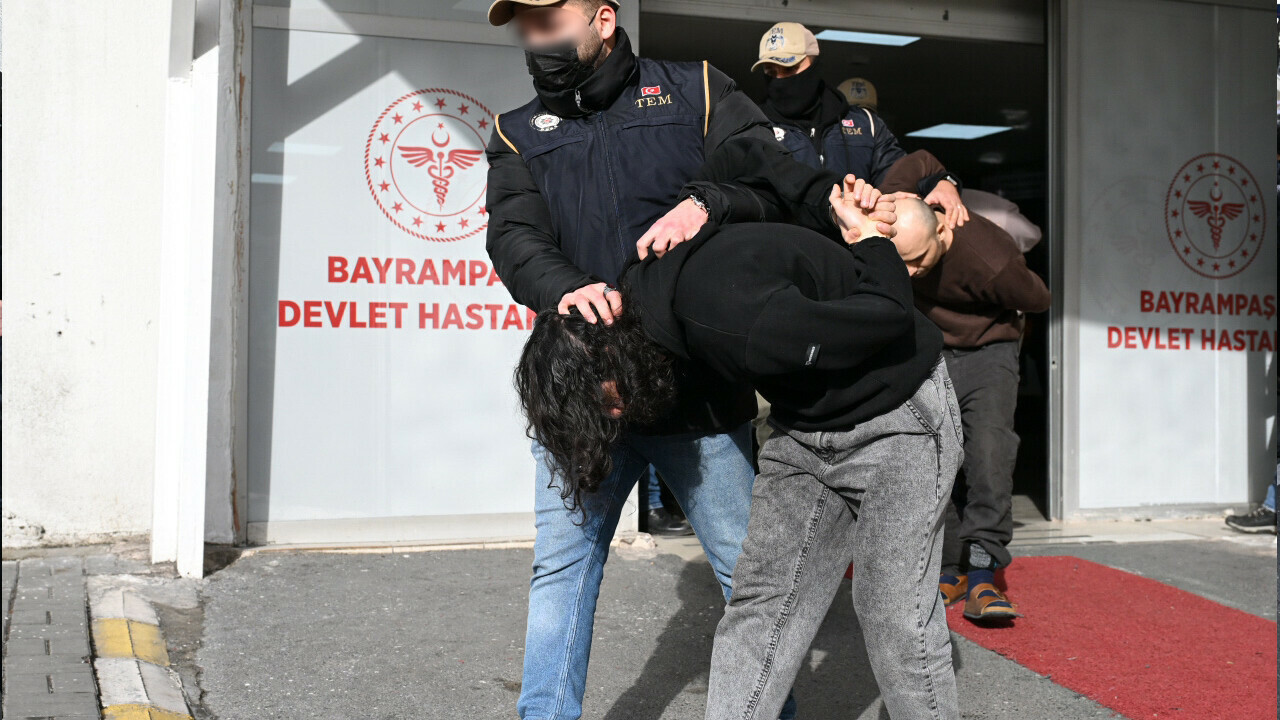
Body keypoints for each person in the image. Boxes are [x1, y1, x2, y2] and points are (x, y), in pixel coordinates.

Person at [514, 177, 964, 719]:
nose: (615, 419)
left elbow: (888, 311)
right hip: (804, 430)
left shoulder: (735, 320)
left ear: (604, 358)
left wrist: (872, 242)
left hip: (897, 417)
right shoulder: (638, 298)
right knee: (761, 607)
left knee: (892, 613)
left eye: (606, 408)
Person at [483, 2, 818, 717]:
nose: (536, 40)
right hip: (584, 398)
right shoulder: (517, 134)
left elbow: (775, 183)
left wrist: (710, 202)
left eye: (550, 22)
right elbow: (513, 239)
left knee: (745, 577)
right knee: (562, 573)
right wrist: (565, 287)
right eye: (527, 29)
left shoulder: (697, 91)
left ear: (603, 19)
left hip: (696, 395)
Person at [880, 150, 1052, 622]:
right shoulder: (899, 217)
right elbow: (914, 159)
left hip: (987, 350)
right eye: (904, 265)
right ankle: (951, 563)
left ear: (945, 231)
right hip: (929, 348)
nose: (911, 274)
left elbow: (1037, 298)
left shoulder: (989, 258)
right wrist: (939, 179)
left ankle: (982, 574)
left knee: (989, 453)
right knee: (934, 457)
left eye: (917, 262)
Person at [750, 22, 968, 226]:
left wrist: (942, 182)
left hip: (859, 251)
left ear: (814, 63)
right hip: (791, 255)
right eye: (770, 72)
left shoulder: (866, 125)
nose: (780, 79)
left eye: (789, 69)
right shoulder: (755, 128)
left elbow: (899, 180)